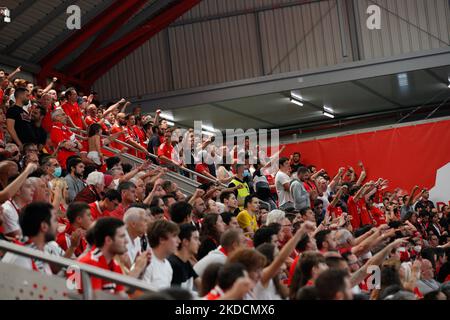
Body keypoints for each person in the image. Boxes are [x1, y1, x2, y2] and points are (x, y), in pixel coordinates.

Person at [77, 217, 128, 296]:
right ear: (108, 240)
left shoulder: (114, 264)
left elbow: (121, 295)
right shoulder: (90, 263)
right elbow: (96, 297)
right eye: (122, 236)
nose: (126, 241)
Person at [2, 202, 57, 275]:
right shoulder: (21, 258)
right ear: (44, 226)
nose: (58, 225)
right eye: (55, 220)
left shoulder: (39, 251)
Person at [143, 220, 180, 291]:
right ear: (162, 239)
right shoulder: (146, 263)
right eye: (174, 236)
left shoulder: (167, 265)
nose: (179, 241)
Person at [168, 224, 200, 292]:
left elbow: (201, 284)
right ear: (185, 242)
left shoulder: (186, 262)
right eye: (196, 239)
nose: (199, 243)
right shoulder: (174, 265)